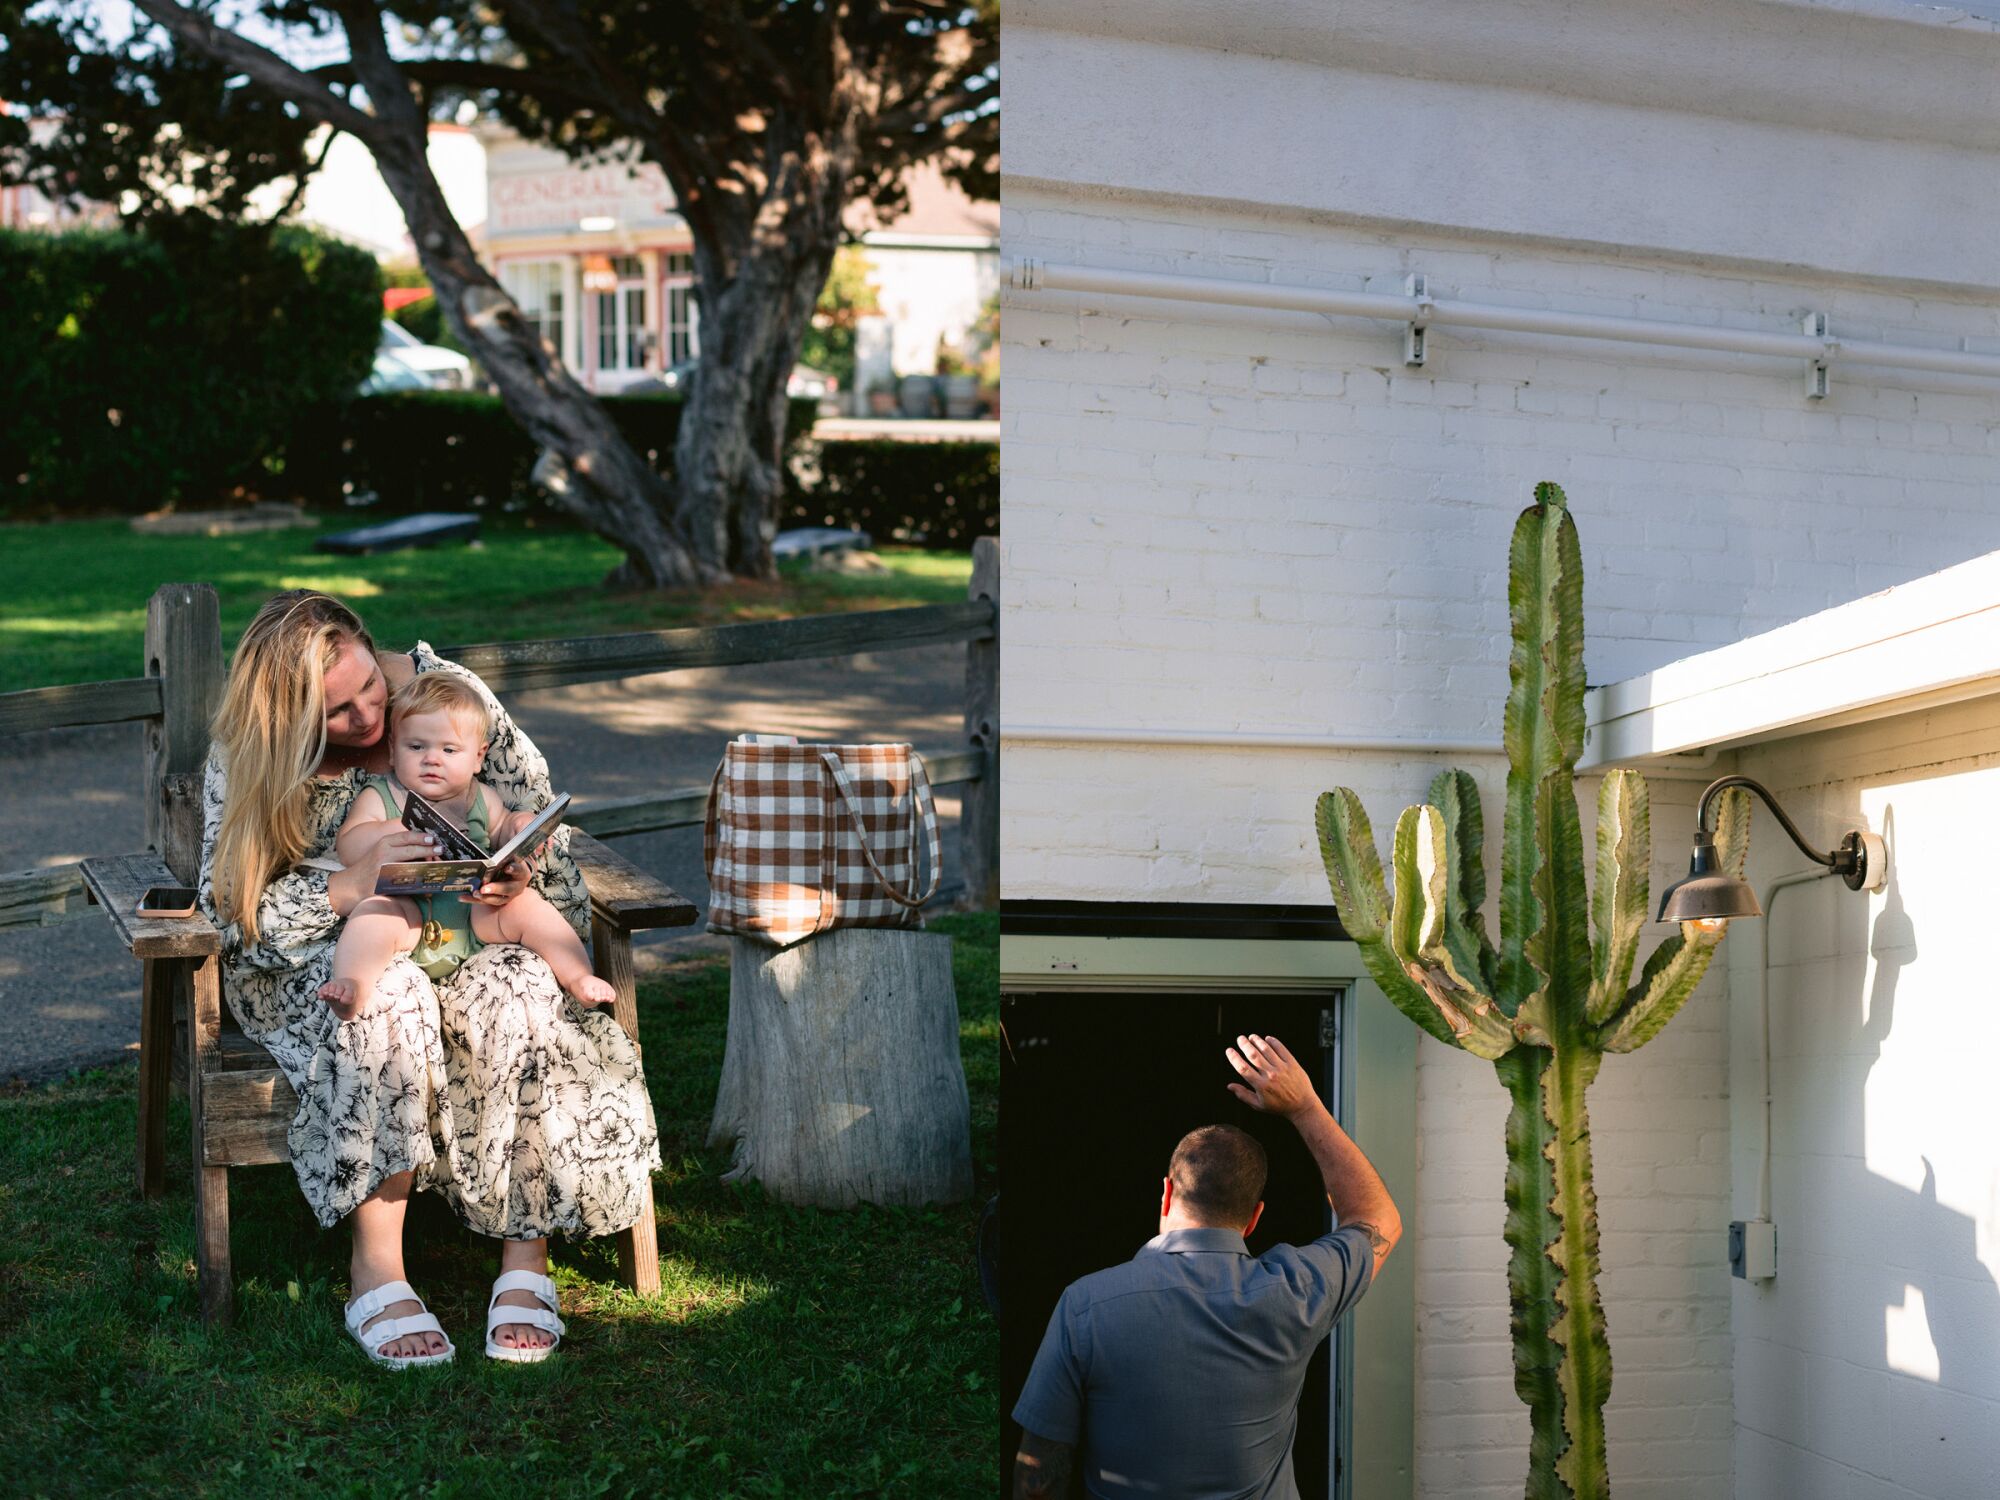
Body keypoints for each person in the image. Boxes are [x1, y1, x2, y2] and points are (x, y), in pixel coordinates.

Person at [197, 590, 661, 1369]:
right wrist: (351, 885)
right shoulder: (253, 750)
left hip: (471, 930)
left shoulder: (450, 695)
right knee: (389, 995)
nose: (367, 718)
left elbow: (544, 831)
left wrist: (518, 876)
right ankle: (376, 1269)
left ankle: (525, 1256)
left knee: (519, 982)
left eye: (369, 687)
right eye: (335, 713)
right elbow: (238, 915)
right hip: (332, 955)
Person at [1011, 1033, 1404, 1500]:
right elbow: (1377, 1219)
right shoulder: (1298, 1291)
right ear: (1255, 1218)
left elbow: (1039, 1472)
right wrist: (1305, 1107)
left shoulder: (1086, 1305)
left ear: (1167, 1194)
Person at [320, 672, 614, 1019]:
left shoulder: (480, 798)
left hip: (475, 913)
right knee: (371, 917)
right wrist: (390, 831)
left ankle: (577, 975)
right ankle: (353, 984)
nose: (432, 758)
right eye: (416, 747)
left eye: (449, 749)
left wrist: (519, 826)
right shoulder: (382, 795)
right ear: (393, 752)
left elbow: (504, 828)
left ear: (478, 757)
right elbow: (349, 845)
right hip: (407, 915)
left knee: (528, 907)